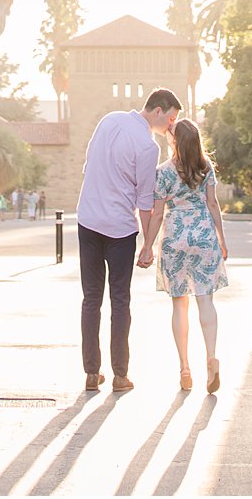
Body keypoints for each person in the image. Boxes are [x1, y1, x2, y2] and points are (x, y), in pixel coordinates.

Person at [74, 88, 182, 394]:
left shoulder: (108, 121)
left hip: (88, 221)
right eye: (171, 118)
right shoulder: (149, 148)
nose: (171, 126)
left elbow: (89, 165)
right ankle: (120, 375)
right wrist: (148, 245)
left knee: (91, 299)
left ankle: (91, 373)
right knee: (120, 300)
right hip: (120, 229)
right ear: (159, 110)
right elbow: (145, 201)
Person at [138, 116, 228, 394]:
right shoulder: (205, 167)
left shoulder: (163, 171)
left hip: (175, 238)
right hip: (203, 235)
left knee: (180, 306)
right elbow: (213, 204)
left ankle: (185, 368)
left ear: (175, 141)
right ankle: (211, 356)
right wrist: (222, 240)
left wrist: (147, 246)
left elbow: (157, 214)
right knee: (206, 300)